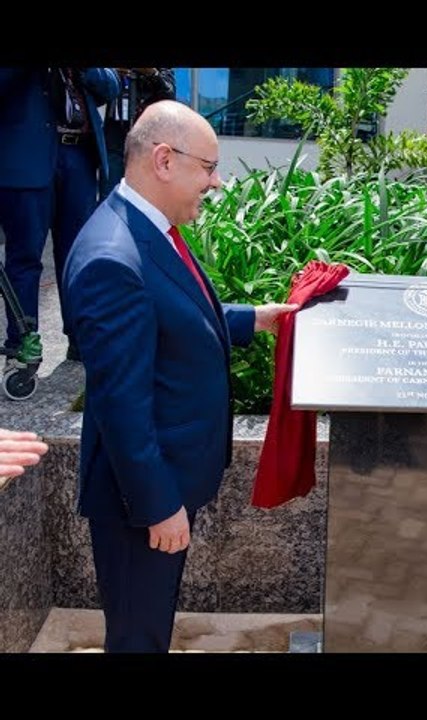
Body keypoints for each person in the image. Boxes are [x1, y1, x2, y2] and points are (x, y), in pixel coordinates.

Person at [62, 100, 298, 653]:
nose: (215, 183)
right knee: (138, 636)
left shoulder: (148, 227)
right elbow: (122, 406)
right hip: (140, 499)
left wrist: (254, 319)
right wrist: (159, 505)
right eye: (208, 167)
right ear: (164, 159)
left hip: (160, 484)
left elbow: (170, 314)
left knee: (150, 626)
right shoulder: (112, 259)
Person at [0, 68, 120, 364]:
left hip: (79, 157)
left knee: (79, 257)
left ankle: (81, 339)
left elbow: (111, 87)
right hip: (26, 160)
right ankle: (22, 345)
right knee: (25, 257)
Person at [101, 68, 176, 197]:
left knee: (143, 197)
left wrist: (150, 72)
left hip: (145, 144)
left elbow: (169, 95)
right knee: (110, 196)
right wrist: (112, 74)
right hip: (114, 141)